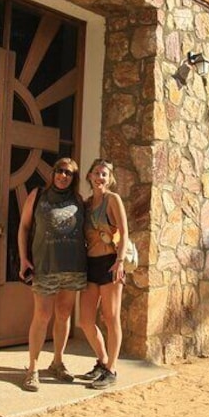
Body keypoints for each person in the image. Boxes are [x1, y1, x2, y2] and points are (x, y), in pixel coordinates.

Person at [17, 158, 87, 392]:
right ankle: (32, 369)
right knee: (42, 315)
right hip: (45, 266)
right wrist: (24, 258)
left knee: (64, 314)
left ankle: (57, 362)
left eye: (68, 173)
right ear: (53, 172)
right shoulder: (37, 195)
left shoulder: (77, 200)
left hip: (72, 267)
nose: (63, 176)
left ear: (73, 178)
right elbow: (24, 227)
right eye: (60, 171)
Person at [78, 158, 129, 389]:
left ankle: (112, 369)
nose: (100, 177)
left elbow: (125, 232)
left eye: (105, 174)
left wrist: (119, 261)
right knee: (85, 320)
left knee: (110, 317)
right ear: (89, 176)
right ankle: (102, 360)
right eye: (97, 173)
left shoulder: (112, 200)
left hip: (110, 263)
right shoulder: (87, 205)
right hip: (91, 264)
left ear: (110, 179)